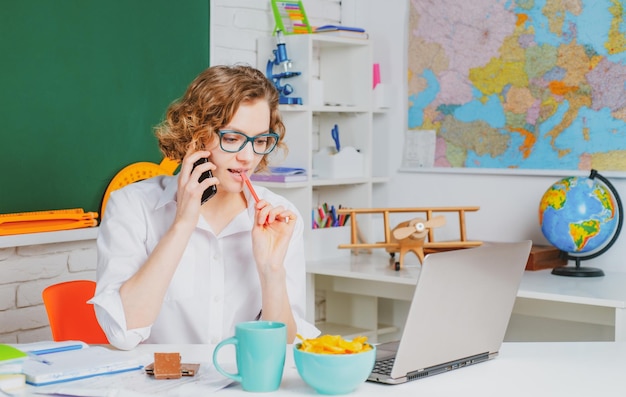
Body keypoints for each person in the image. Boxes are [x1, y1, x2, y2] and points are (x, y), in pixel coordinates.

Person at [90, 64, 319, 350]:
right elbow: (122, 335)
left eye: (260, 140)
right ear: (196, 135)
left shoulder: (280, 218)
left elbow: (283, 348)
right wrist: (182, 224)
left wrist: (271, 270)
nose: (248, 157)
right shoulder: (132, 206)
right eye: (233, 138)